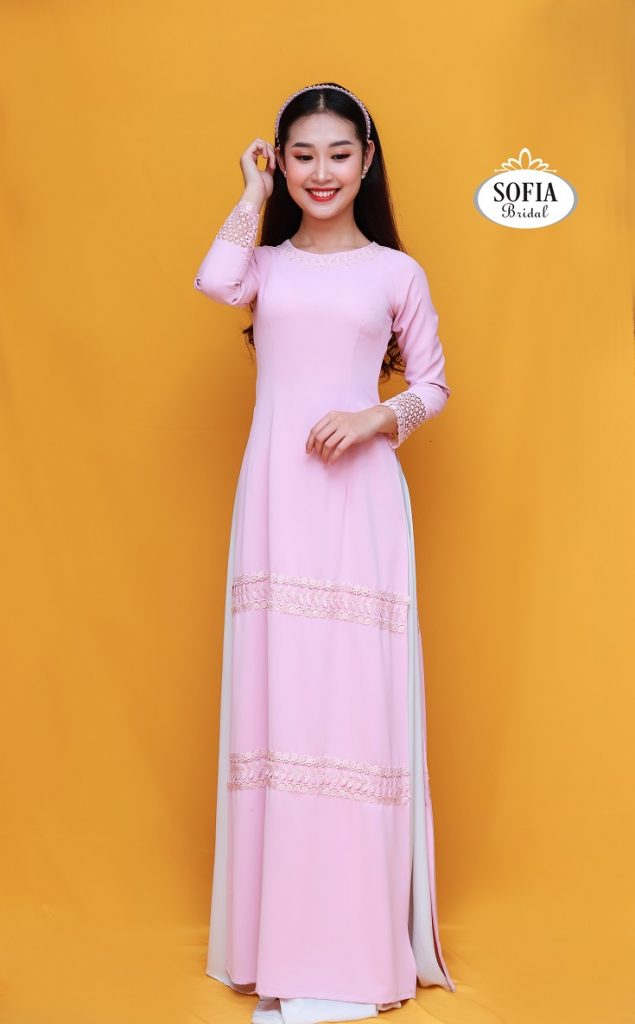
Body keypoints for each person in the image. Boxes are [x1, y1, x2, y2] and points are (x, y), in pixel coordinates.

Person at [194, 81, 456, 1024]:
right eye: (300, 154)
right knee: (282, 708)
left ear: (367, 159)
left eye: (338, 153)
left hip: (359, 506)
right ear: (282, 160)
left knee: (351, 709)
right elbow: (214, 281)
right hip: (276, 504)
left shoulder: (396, 272)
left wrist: (373, 416)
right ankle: (281, 951)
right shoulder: (263, 265)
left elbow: (432, 384)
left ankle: (346, 958)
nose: (320, 171)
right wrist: (249, 189)